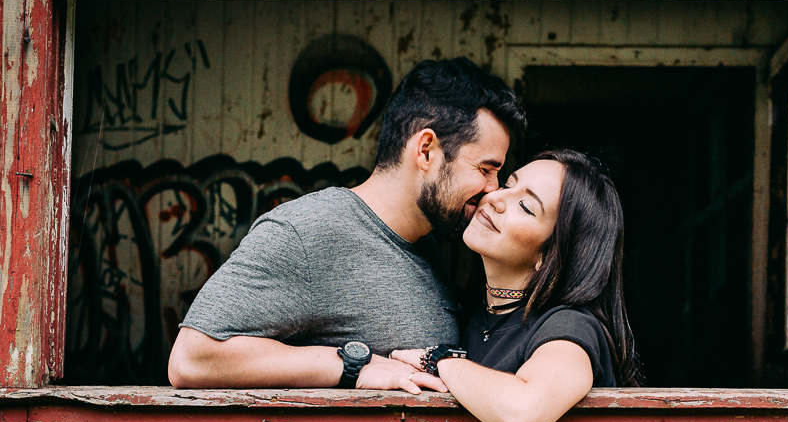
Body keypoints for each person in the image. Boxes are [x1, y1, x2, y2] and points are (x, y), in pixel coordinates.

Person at [168, 57, 526, 391]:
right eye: (485, 169)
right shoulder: (309, 231)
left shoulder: (426, 242)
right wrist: (355, 365)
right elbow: (192, 359)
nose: (493, 190)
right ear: (427, 150)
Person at [391, 149, 641, 422]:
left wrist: (437, 360)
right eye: (508, 185)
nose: (496, 198)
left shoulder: (570, 327)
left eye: (525, 206)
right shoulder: (473, 311)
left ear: (550, 255)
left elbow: (524, 413)